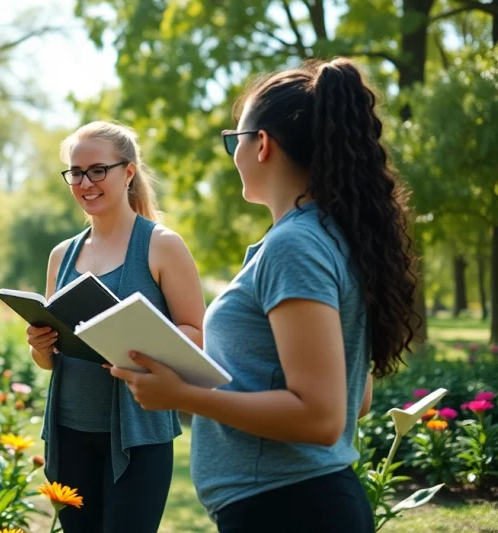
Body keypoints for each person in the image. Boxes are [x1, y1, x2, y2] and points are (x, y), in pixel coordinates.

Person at [110, 58, 418, 533]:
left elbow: (321, 416)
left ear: (262, 145)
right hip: (298, 503)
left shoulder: (296, 246)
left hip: (289, 509)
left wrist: (184, 395)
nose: (232, 154)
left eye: (234, 140)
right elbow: (353, 400)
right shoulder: (329, 237)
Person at [27, 121, 207, 533]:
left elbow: (197, 334)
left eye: (97, 170)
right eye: (76, 172)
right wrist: (40, 346)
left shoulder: (162, 244)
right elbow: (49, 362)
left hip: (139, 435)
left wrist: (136, 347)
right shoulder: (62, 255)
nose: (85, 182)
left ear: (128, 172)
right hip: (69, 432)